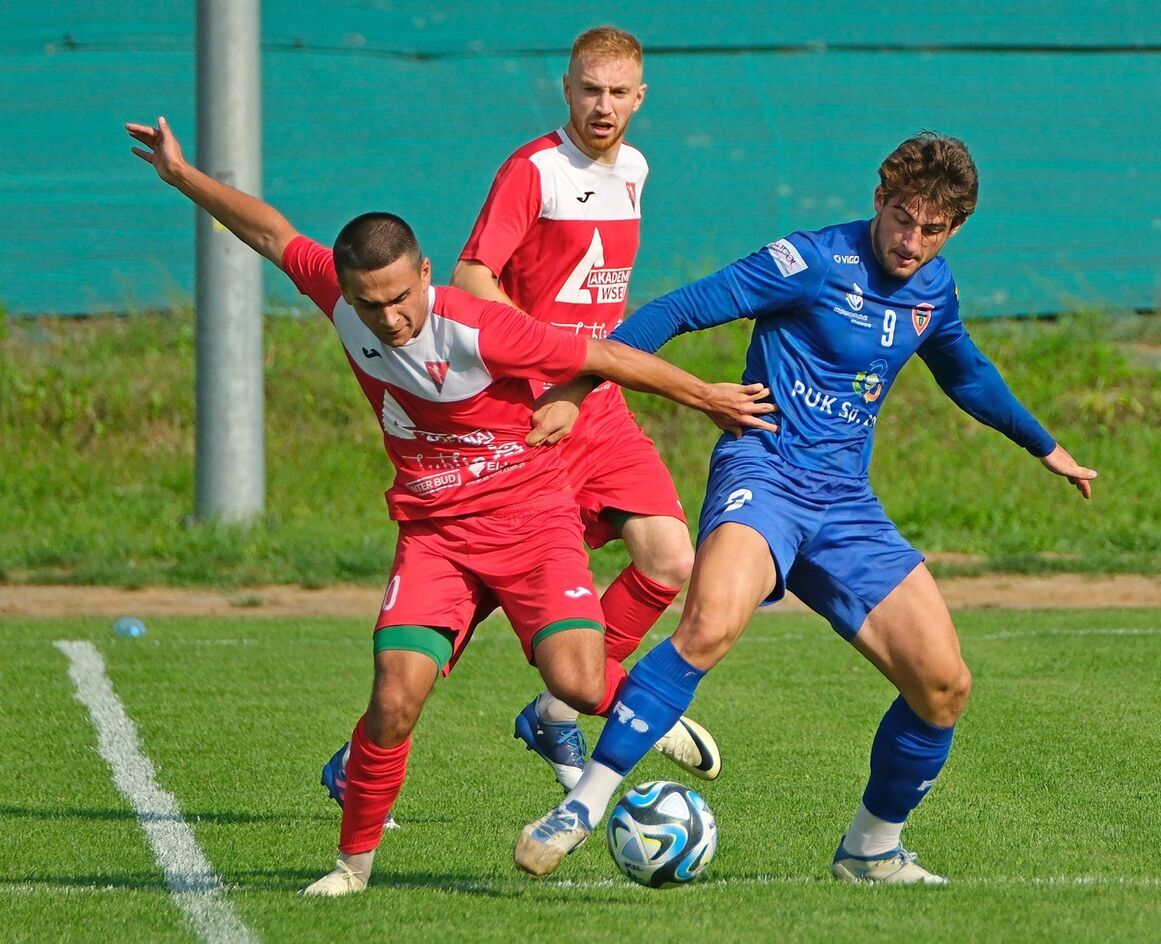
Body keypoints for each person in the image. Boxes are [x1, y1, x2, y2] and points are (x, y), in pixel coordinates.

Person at [124, 116, 775, 896]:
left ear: (425, 274)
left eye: (401, 298)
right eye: (371, 305)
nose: (391, 319)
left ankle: (635, 712)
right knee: (394, 697)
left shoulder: (478, 327)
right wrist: (182, 175)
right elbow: (270, 233)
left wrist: (706, 396)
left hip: (534, 523)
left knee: (575, 679)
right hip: (435, 537)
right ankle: (351, 868)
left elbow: (604, 355)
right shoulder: (339, 295)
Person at [514, 132, 1097, 885]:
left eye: (933, 230)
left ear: (953, 230)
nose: (911, 241)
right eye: (902, 219)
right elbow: (679, 309)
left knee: (943, 685)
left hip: (845, 503)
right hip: (766, 473)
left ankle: (870, 851)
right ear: (879, 200)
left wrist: (1043, 445)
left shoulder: (933, 289)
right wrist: (577, 387)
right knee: (710, 624)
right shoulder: (812, 260)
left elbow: (967, 372)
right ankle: (583, 806)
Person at [455, 25, 719, 789]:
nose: (602, 106)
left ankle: (557, 715)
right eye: (589, 90)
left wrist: (586, 374)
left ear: (640, 97)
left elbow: (598, 291)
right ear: (566, 89)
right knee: (474, 598)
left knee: (671, 557)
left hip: (596, 404)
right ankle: (361, 755)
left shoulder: (635, 167)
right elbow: (474, 277)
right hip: (531, 413)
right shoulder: (532, 170)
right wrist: (543, 364)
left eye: (617, 93)